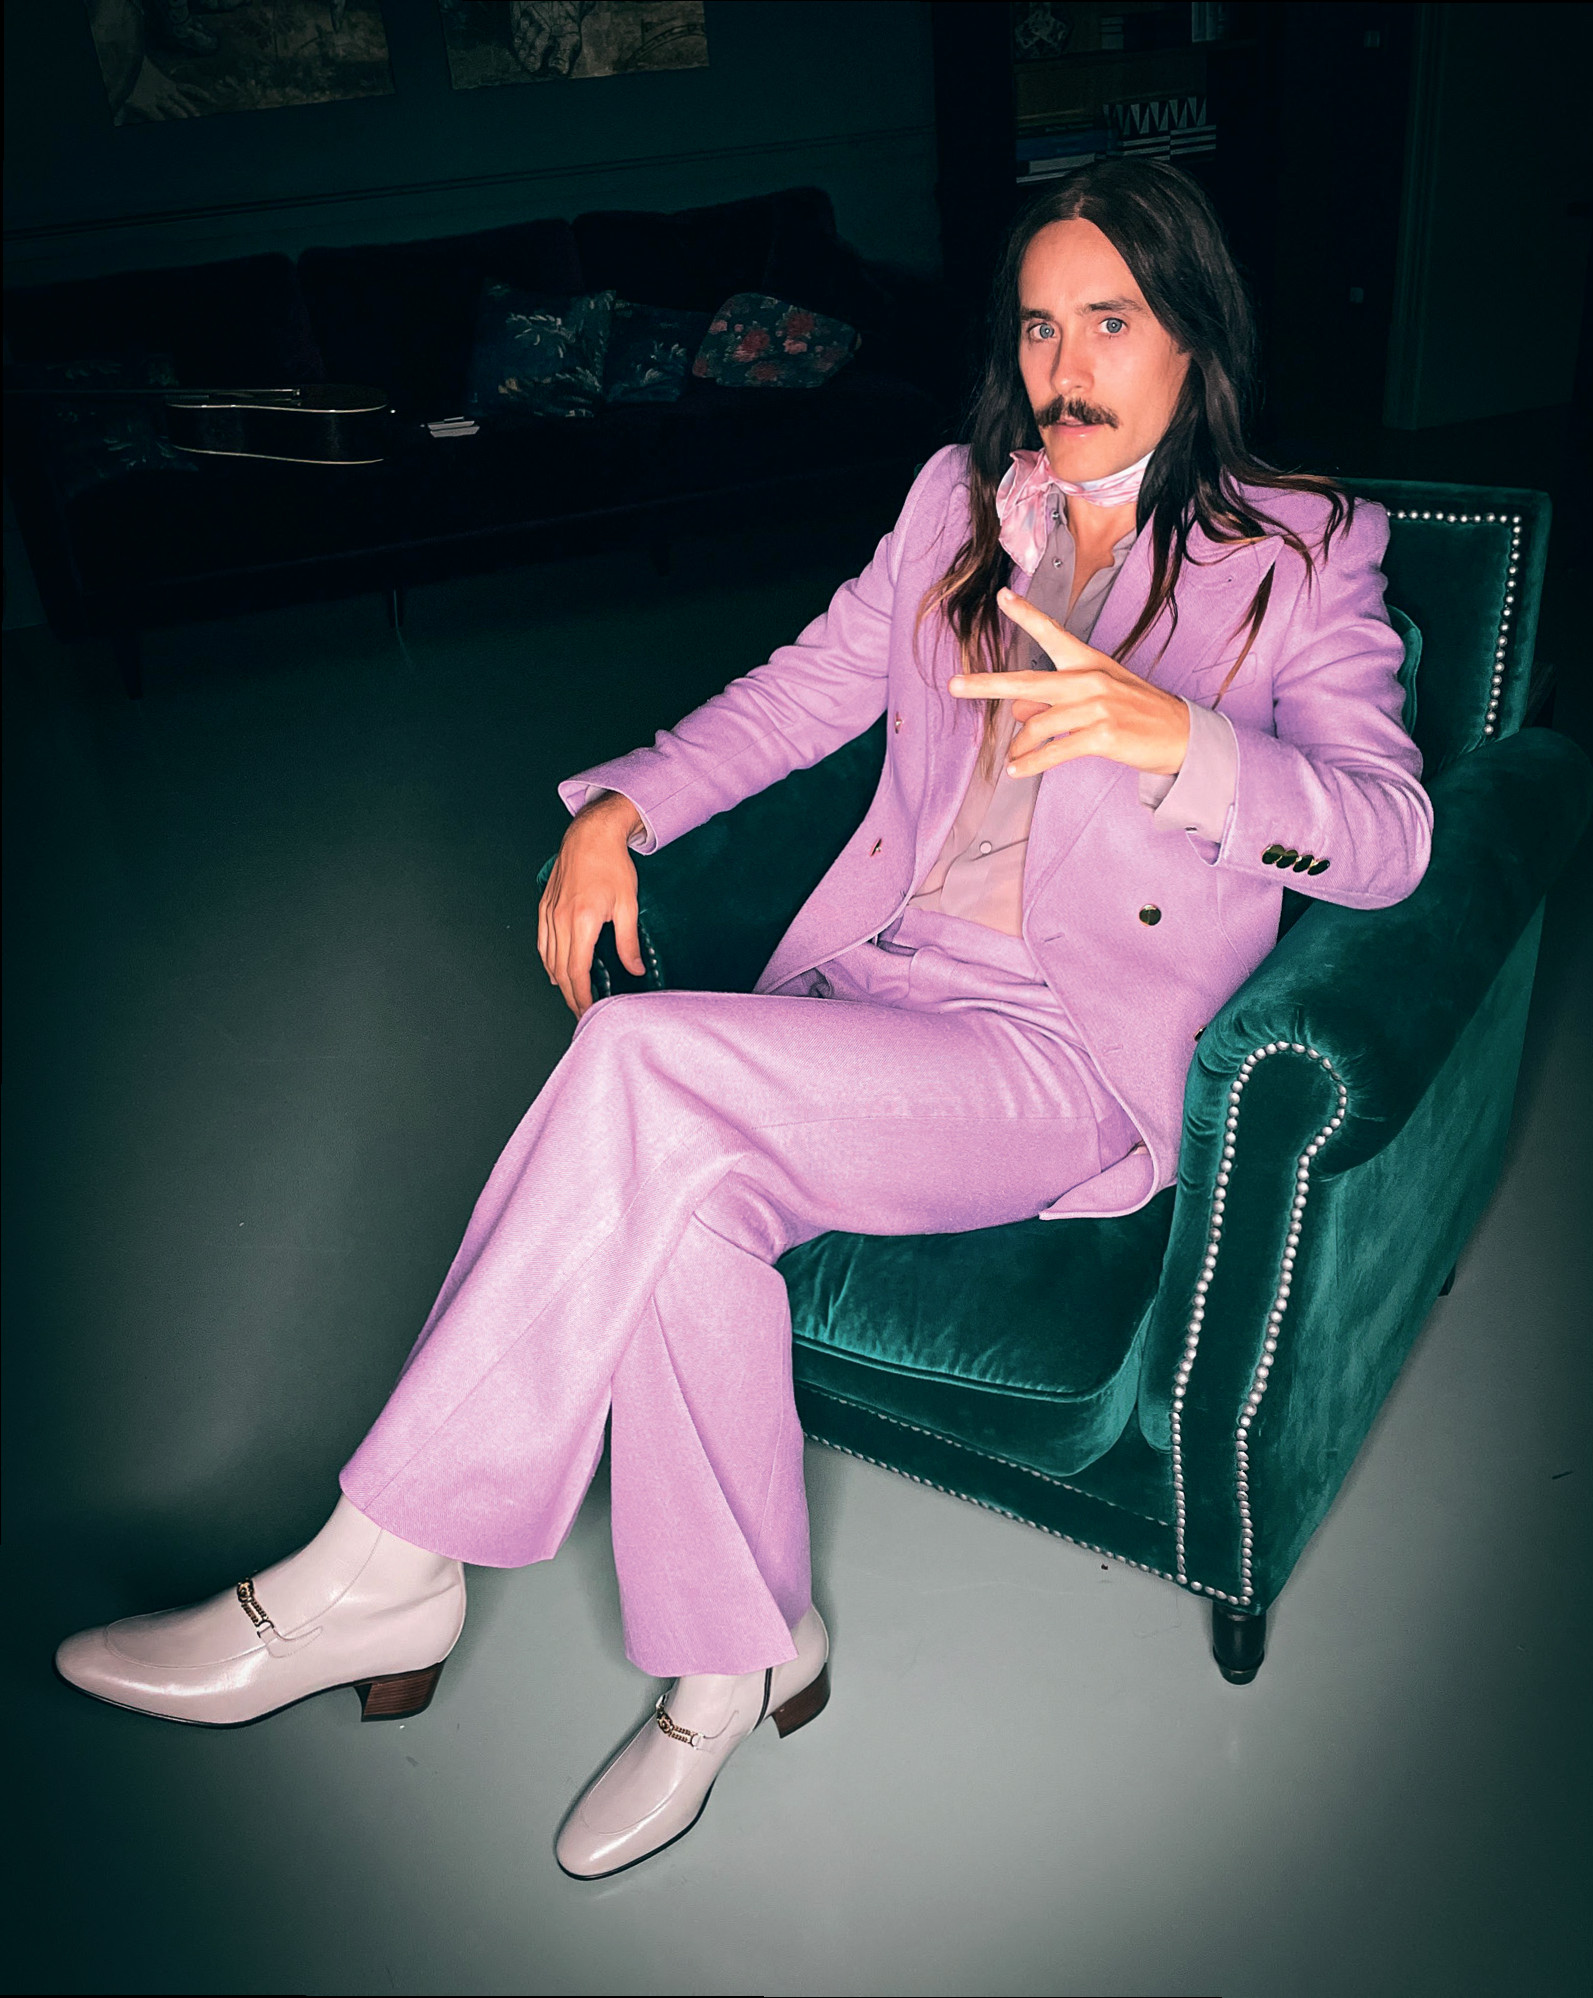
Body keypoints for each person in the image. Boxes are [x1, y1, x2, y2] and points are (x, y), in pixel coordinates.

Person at [54, 161, 1431, 1878]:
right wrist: (619, 808)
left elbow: (1389, 837)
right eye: (1036, 326)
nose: (1064, 367)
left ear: (1191, 338)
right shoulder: (959, 502)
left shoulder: (1298, 547)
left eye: (1109, 322)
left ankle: (376, 1566)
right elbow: (806, 689)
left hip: (1063, 1054)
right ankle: (739, 1659)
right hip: (881, 985)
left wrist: (1180, 745)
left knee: (635, 1061)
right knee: (681, 1207)